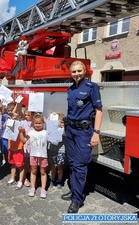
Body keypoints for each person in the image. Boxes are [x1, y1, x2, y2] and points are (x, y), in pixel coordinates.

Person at [62, 60, 103, 213]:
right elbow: (70, 110)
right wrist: (66, 127)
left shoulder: (92, 87)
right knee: (72, 164)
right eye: (74, 71)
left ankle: (77, 200)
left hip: (84, 132)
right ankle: (74, 191)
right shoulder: (71, 89)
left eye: (79, 71)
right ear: (70, 73)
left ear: (85, 71)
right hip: (71, 130)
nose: (77, 74)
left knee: (80, 166)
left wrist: (96, 133)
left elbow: (99, 110)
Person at [19, 113, 48, 199]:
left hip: (43, 155)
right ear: (33, 123)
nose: (37, 125)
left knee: (43, 172)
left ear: (43, 123)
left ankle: (43, 189)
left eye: (39, 123)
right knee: (33, 171)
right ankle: (32, 188)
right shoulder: (31, 132)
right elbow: (24, 140)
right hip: (33, 155)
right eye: (36, 123)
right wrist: (21, 132)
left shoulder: (46, 132)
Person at [47, 113, 66, 189]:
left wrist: (63, 127)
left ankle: (60, 180)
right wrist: (51, 115)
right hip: (53, 150)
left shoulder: (64, 130)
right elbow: (48, 122)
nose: (60, 124)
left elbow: (65, 133)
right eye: (58, 121)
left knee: (60, 166)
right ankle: (52, 179)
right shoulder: (52, 128)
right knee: (53, 166)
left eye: (62, 122)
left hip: (61, 151)